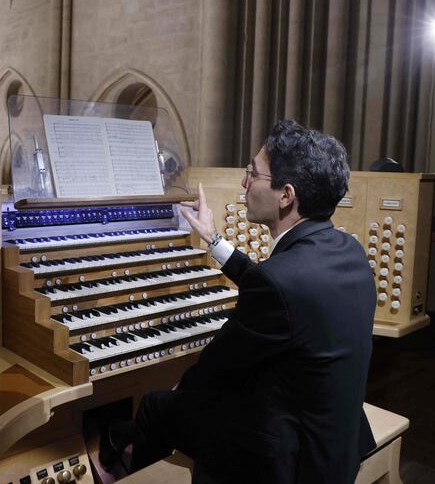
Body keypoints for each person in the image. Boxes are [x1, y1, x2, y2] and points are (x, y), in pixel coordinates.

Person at [99, 119, 377, 483]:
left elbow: (215, 366)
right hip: (335, 448)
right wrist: (214, 240)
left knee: (156, 405)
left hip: (285, 466)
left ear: (286, 194)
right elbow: (286, 299)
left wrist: (178, 389)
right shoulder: (349, 253)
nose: (244, 183)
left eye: (253, 173)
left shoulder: (280, 283)